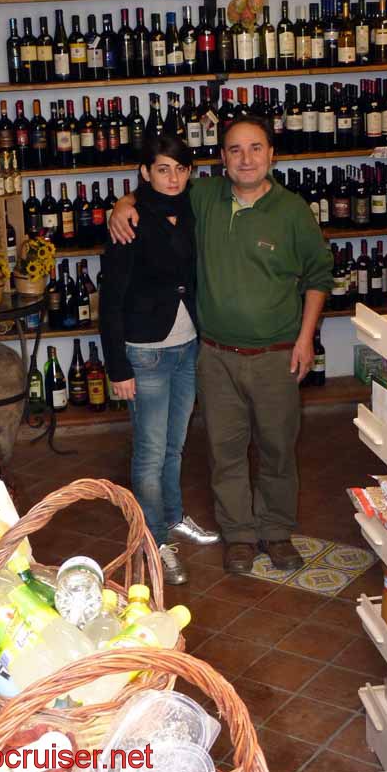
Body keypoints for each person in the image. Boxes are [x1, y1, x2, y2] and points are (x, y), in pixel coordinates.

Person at [110, 116, 333, 575]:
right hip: (213, 355)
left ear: (272, 154)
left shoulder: (292, 211)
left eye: (255, 148)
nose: (246, 158)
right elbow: (155, 187)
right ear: (222, 160)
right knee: (225, 452)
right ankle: (239, 535)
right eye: (235, 150)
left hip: (276, 355)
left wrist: (306, 337)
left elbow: (318, 276)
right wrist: (123, 203)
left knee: (276, 449)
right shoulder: (205, 196)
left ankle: (275, 530)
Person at [99, 134, 219, 586]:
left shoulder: (192, 209)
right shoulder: (129, 221)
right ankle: (154, 539)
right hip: (144, 354)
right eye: (163, 169)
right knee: (149, 454)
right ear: (145, 172)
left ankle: (172, 517)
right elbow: (110, 298)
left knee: (175, 445)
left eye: (181, 169)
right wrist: (118, 367)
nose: (173, 178)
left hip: (187, 345)